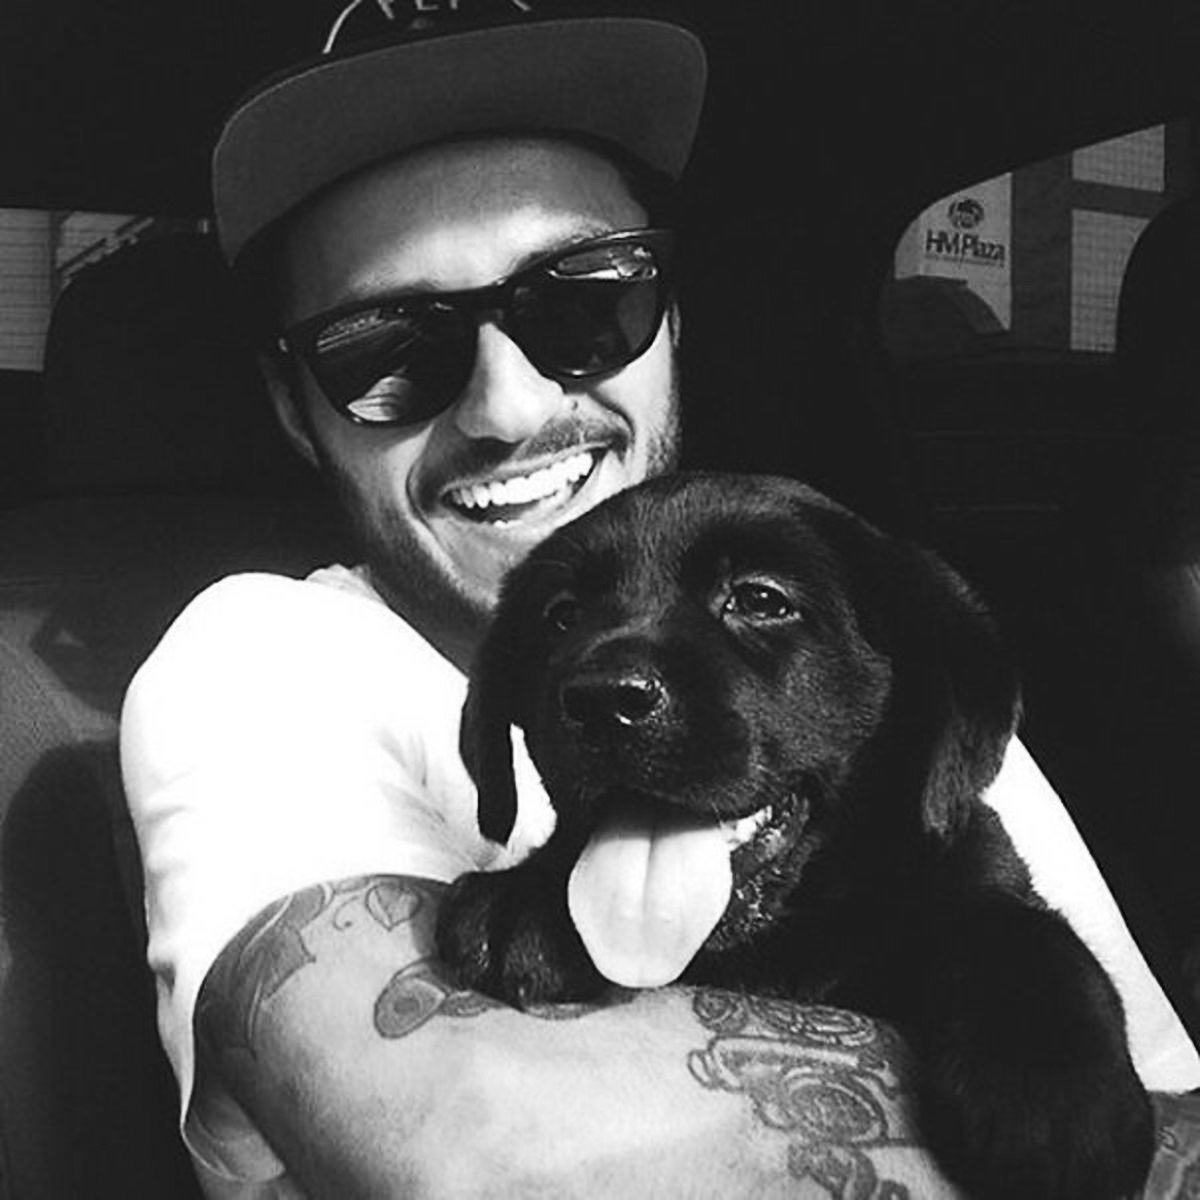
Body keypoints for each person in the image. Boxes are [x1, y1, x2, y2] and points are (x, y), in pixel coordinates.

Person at [120, 2, 1200, 1196]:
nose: (509, 407)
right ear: (293, 409)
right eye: (385, 349)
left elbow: (1158, 1115)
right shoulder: (261, 662)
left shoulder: (894, 676)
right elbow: (482, 1152)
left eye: (583, 299)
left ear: (671, 320)